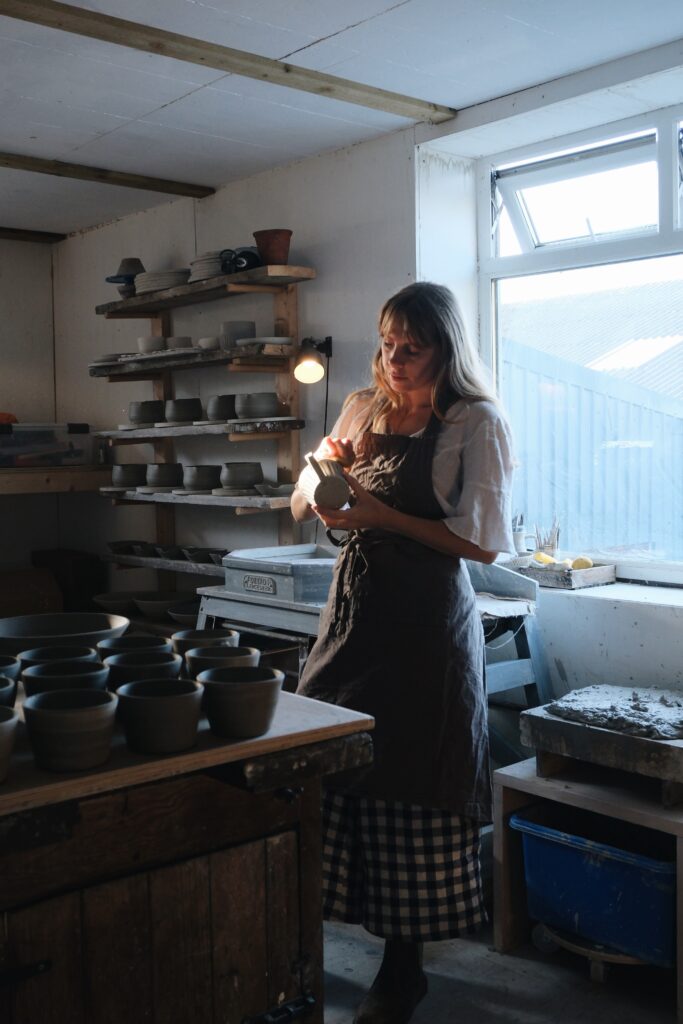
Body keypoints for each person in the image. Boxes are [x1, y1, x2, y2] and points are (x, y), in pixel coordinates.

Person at [291, 281, 515, 1024]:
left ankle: (402, 967)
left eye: (411, 348)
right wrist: (321, 481)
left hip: (425, 633)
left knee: (413, 774)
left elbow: (480, 542)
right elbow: (306, 504)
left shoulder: (473, 422)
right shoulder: (361, 407)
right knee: (327, 764)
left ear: (446, 350)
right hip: (354, 615)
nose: (393, 359)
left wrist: (380, 513)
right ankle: (310, 944)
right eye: (386, 342)